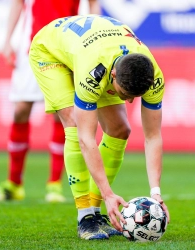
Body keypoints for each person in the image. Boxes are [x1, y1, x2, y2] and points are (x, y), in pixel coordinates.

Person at [29, 15, 170, 240]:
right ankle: (86, 216)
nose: (130, 101)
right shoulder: (93, 72)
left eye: (136, 97)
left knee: (120, 129)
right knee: (75, 125)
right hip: (50, 51)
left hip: (92, 45)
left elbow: (153, 136)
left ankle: (98, 213)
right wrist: (108, 193)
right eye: (125, 95)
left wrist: (156, 192)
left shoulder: (154, 77)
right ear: (113, 75)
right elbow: (86, 139)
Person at [0, 0, 101, 203]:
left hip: (65, 48)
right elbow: (18, 4)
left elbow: (93, 5)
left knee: (62, 115)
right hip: (31, 47)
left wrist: (93, 40)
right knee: (20, 110)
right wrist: (7, 40)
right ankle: (14, 183)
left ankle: (54, 184)